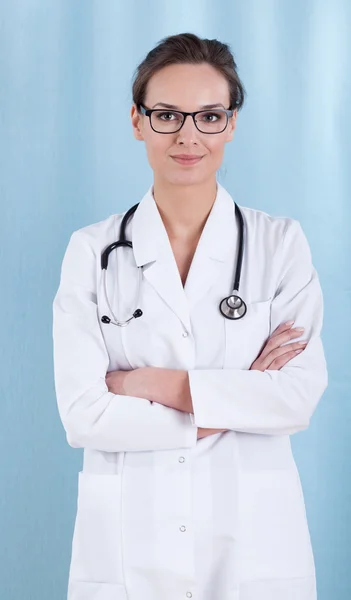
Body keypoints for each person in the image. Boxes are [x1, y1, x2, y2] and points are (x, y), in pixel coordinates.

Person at [52, 32, 328, 600]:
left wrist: (144, 384)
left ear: (230, 124)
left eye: (208, 116)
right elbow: (83, 417)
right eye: (167, 114)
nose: (187, 136)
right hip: (132, 544)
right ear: (137, 121)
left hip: (253, 544)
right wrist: (243, 394)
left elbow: (296, 398)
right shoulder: (92, 251)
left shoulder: (279, 244)